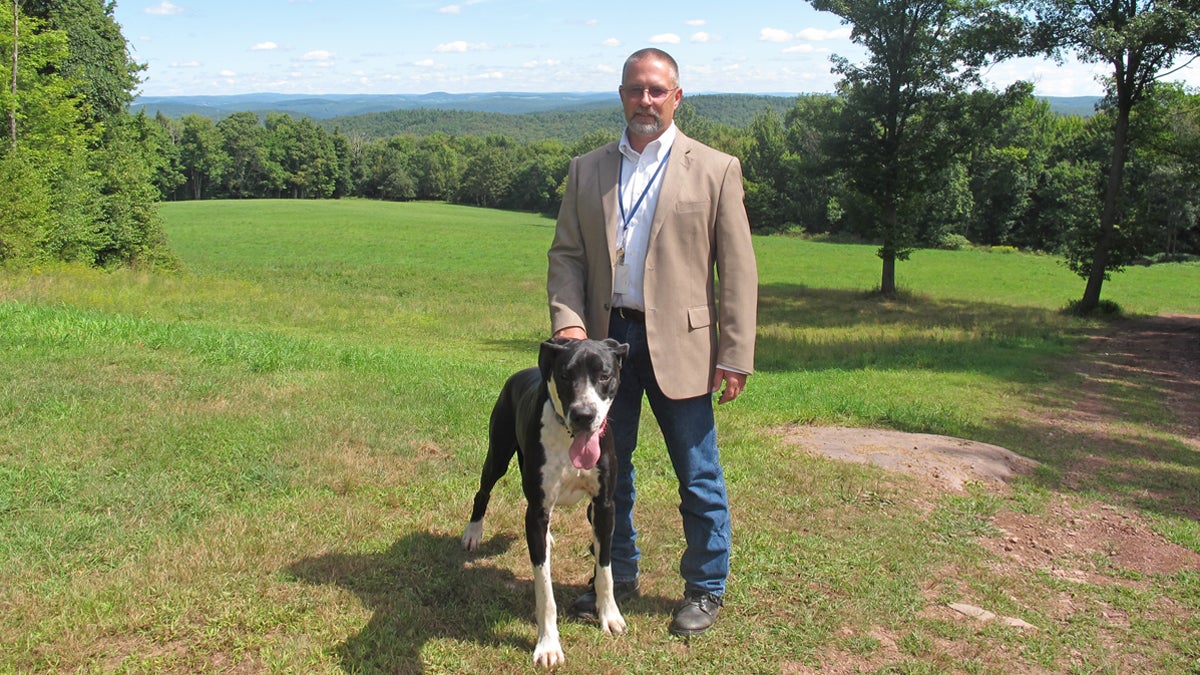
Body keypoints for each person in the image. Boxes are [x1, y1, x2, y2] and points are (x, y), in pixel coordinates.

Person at [547, 47, 758, 637]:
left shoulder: (715, 168)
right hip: (603, 344)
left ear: (677, 97)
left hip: (684, 345)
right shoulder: (586, 169)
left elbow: (737, 270)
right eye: (636, 89)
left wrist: (735, 353)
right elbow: (565, 255)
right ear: (620, 94)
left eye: (657, 90)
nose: (646, 100)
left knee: (698, 473)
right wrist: (568, 322)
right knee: (611, 471)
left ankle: (705, 588)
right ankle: (617, 576)